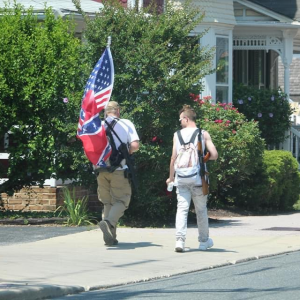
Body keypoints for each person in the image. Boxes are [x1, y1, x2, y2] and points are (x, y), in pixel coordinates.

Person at [166, 105, 218, 252]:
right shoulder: (203, 134)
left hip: (181, 178)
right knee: (201, 210)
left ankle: (180, 241)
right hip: (198, 179)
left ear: (186, 118)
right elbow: (214, 155)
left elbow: (173, 158)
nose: (180, 122)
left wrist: (171, 178)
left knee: (182, 209)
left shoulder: (177, 135)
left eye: (180, 119)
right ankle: (203, 242)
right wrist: (202, 161)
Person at [97, 101, 139, 246]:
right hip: (119, 170)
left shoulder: (97, 125)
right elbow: (135, 145)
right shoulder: (126, 123)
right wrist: (125, 153)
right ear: (118, 111)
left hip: (100, 170)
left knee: (107, 202)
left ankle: (111, 238)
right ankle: (108, 222)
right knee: (121, 201)